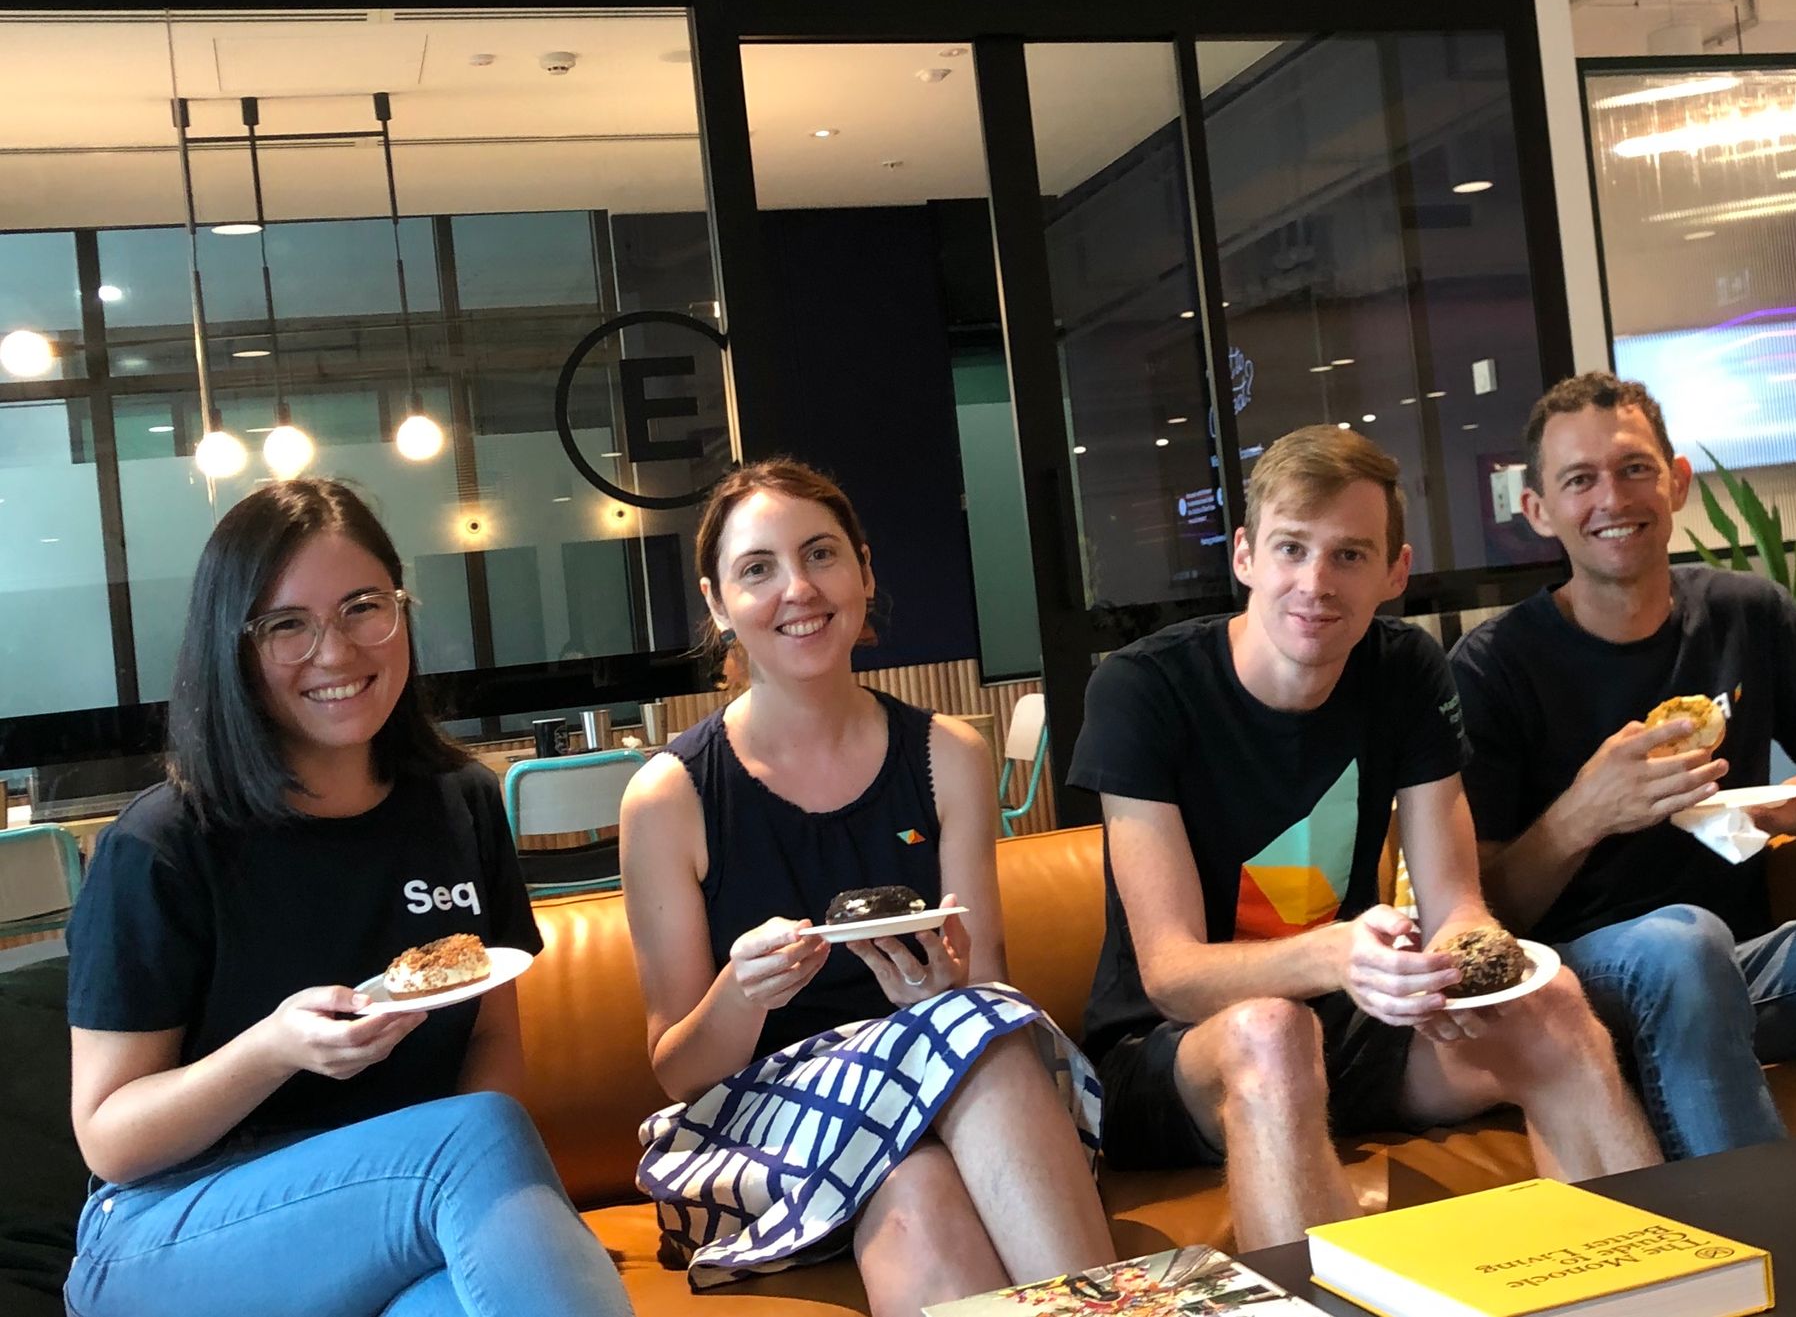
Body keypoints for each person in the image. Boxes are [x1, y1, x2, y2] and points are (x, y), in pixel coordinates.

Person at [1069, 426, 1659, 1252]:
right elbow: (1170, 974)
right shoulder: (1142, 689)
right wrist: (1339, 956)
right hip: (1167, 1055)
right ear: (1244, 556)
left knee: (1552, 1005)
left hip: (1352, 1019)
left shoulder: (1405, 669)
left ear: (1395, 570)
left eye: (1349, 555)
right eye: (1291, 548)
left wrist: (1456, 976)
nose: (1315, 582)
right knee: (1273, 1030)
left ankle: (1653, 1289)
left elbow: (1458, 905)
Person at [63, 479, 632, 1317]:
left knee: (453, 1298)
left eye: (363, 606)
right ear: (234, 646)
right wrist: (276, 1048)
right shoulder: (164, 844)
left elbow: (493, 1041)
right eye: (286, 624)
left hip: (399, 1215)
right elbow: (111, 1135)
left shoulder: (460, 803)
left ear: (400, 610)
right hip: (169, 1232)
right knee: (476, 1134)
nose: (335, 652)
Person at [1450, 371, 1796, 1158]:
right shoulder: (1494, 665)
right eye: (1580, 480)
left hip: (1742, 964)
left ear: (1675, 483)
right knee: (1683, 940)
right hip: (1579, 981)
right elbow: (1479, 913)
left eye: (1635, 468)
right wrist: (1585, 811)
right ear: (1538, 510)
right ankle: (1774, 1262)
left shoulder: (1748, 614)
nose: (1613, 497)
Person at [620, 459, 1114, 1317]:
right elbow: (676, 1070)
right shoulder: (670, 796)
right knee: (968, 1045)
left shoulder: (947, 754)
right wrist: (741, 991)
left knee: (922, 1171)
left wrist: (939, 989)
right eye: (758, 568)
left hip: (943, 1102)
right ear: (717, 601)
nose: (798, 589)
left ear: (864, 571)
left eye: (821, 554)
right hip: (761, 1127)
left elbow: (989, 985)